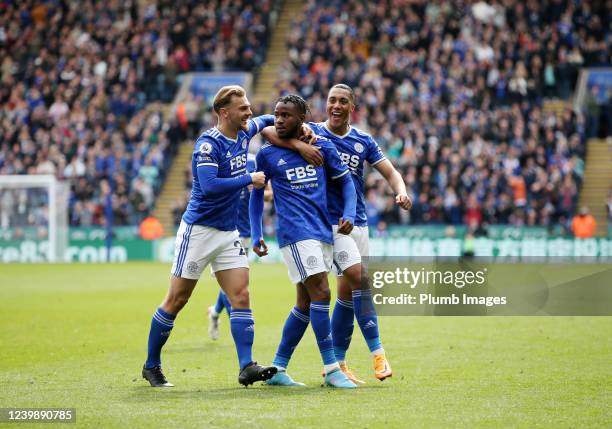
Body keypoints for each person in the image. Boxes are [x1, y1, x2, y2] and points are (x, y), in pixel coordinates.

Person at [261, 84, 411, 383]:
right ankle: (368, 356)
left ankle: (335, 363)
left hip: (355, 223)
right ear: (325, 105)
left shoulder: (363, 140)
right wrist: (299, 146)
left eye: (343, 101)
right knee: (334, 289)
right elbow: (268, 128)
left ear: (352, 106)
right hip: (321, 224)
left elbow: (391, 173)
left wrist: (401, 191)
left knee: (341, 293)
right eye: (332, 100)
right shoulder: (311, 130)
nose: (337, 106)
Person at [142, 85, 277, 388]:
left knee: (240, 296)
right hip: (199, 231)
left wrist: (297, 126)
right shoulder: (207, 144)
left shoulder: (244, 132)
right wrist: (249, 179)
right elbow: (210, 184)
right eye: (243, 108)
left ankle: (247, 366)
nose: (249, 112)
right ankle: (151, 365)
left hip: (228, 232)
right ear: (223, 112)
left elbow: (267, 119)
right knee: (177, 299)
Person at [250, 94, 358, 388]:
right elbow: (257, 195)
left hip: (322, 231)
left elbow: (346, 182)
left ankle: (278, 367)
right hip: (295, 234)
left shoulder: (322, 145)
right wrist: (256, 232)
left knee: (306, 302)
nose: (280, 119)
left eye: (286, 115)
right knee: (323, 293)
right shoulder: (268, 154)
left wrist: (348, 212)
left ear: (302, 119)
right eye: (276, 114)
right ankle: (332, 368)